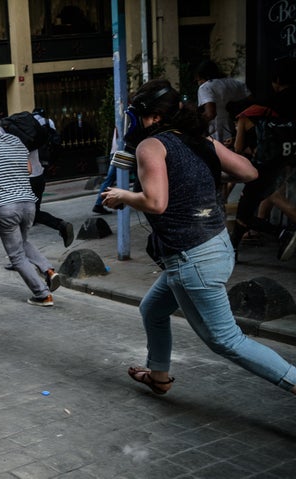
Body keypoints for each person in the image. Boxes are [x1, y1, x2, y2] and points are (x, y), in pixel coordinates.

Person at [101, 79, 296, 397]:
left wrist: (124, 194)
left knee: (226, 340)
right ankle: (159, 376)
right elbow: (248, 172)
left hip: (191, 259)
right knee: (152, 309)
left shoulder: (151, 146)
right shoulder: (199, 140)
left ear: (153, 116)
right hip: (216, 245)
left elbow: (155, 202)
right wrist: (204, 173)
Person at [0, 116, 61, 306]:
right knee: (23, 241)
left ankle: (42, 294)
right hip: (28, 203)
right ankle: (48, 270)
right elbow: (28, 168)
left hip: (7, 206)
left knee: (16, 255)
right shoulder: (15, 140)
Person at [231, 57, 296, 262]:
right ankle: (231, 251)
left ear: (276, 79)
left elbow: (239, 148)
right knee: (255, 204)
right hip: (289, 160)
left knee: (246, 211)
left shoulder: (257, 110)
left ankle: (282, 233)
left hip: (268, 165)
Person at [30, 108, 74, 247]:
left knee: (20, 215)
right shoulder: (33, 132)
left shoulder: (12, 138)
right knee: (32, 212)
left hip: (26, 179)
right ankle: (60, 225)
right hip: (39, 175)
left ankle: (19, 257)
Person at [196, 59, 252, 147]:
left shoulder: (206, 87)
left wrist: (196, 124)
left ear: (202, 76)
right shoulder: (236, 83)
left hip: (216, 136)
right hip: (238, 135)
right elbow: (251, 101)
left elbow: (210, 113)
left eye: (198, 79)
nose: (198, 83)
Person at [92, 128, 119, 215]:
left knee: (110, 179)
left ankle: (99, 204)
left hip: (116, 153)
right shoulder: (123, 119)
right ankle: (99, 204)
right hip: (120, 153)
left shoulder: (121, 119)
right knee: (110, 179)